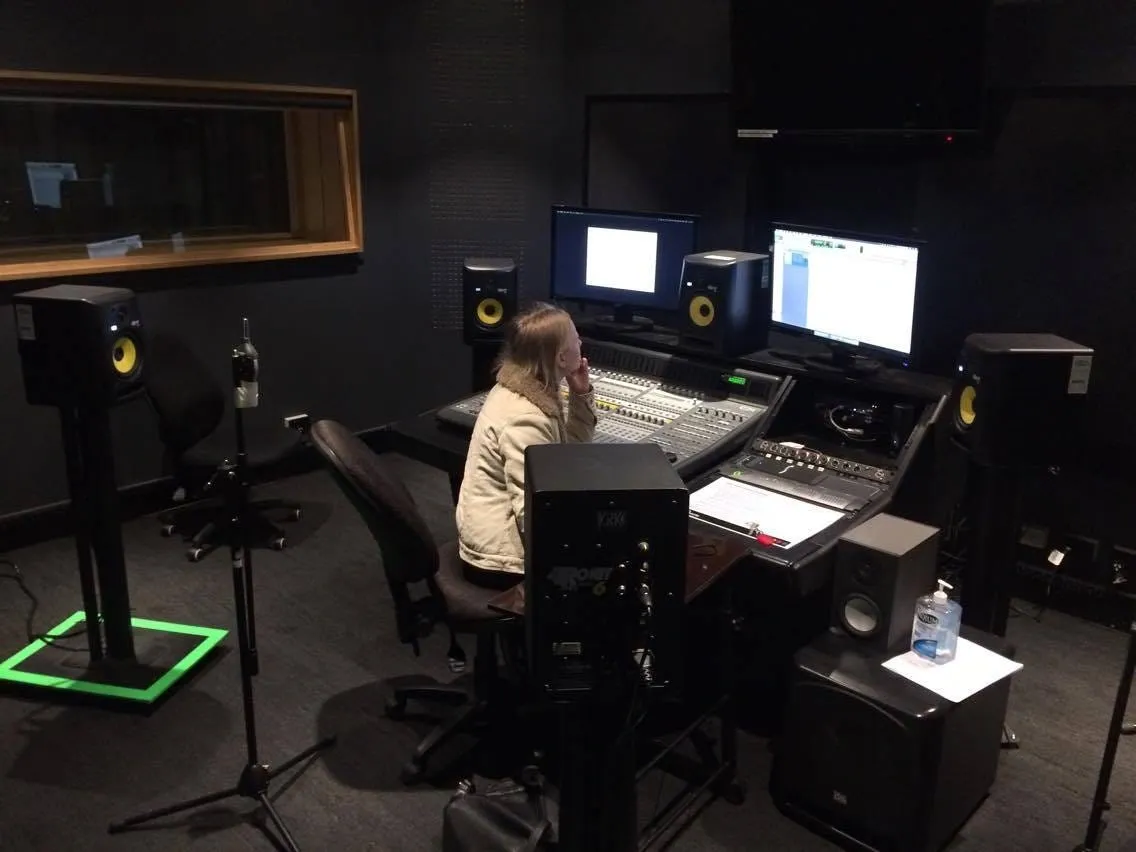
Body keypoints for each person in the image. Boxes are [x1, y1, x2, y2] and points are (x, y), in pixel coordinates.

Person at [456, 303, 596, 588]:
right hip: (498, 559)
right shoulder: (525, 419)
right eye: (575, 337)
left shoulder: (530, 389)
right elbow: (534, 514)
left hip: (495, 536)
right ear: (560, 357)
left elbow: (564, 456)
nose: (580, 341)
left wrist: (581, 397)